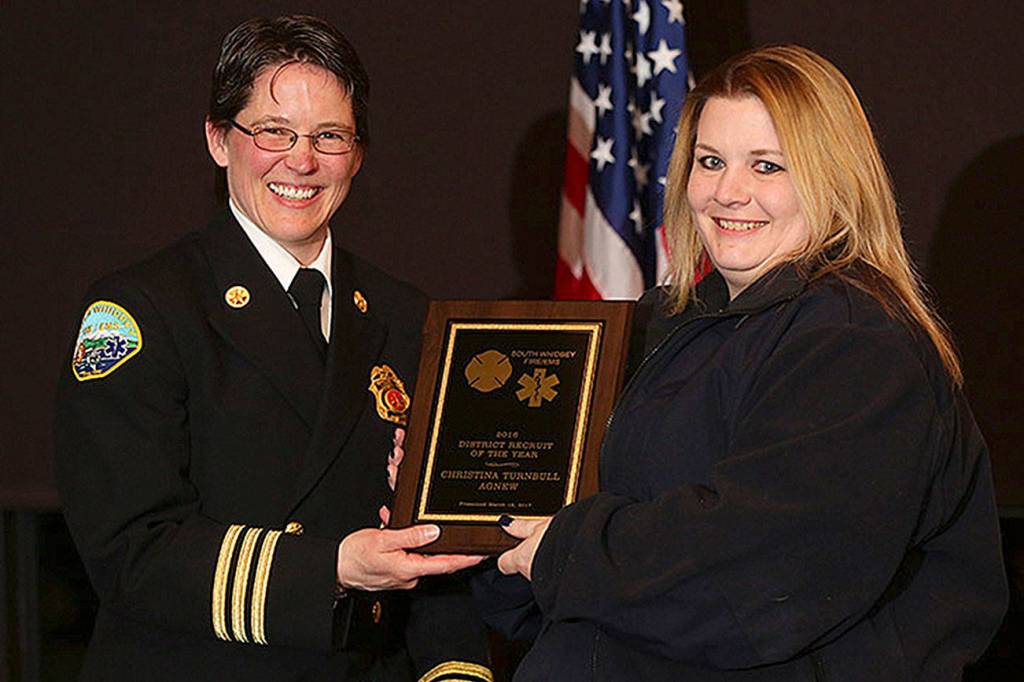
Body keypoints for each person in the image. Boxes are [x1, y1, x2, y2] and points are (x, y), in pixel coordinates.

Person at [487, 45, 1008, 680]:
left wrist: (567, 553)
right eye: (710, 162)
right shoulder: (659, 325)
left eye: (767, 166)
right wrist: (469, 506)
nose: (729, 193)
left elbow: (763, 572)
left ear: (833, 179)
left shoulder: (855, 346)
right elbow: (560, 552)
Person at [55, 15, 492, 682]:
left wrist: (456, 671)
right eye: (273, 132)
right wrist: (331, 568)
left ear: (358, 153)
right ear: (218, 139)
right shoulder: (142, 310)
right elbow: (131, 551)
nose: (302, 161)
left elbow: (434, 545)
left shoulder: (406, 314)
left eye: (329, 136)